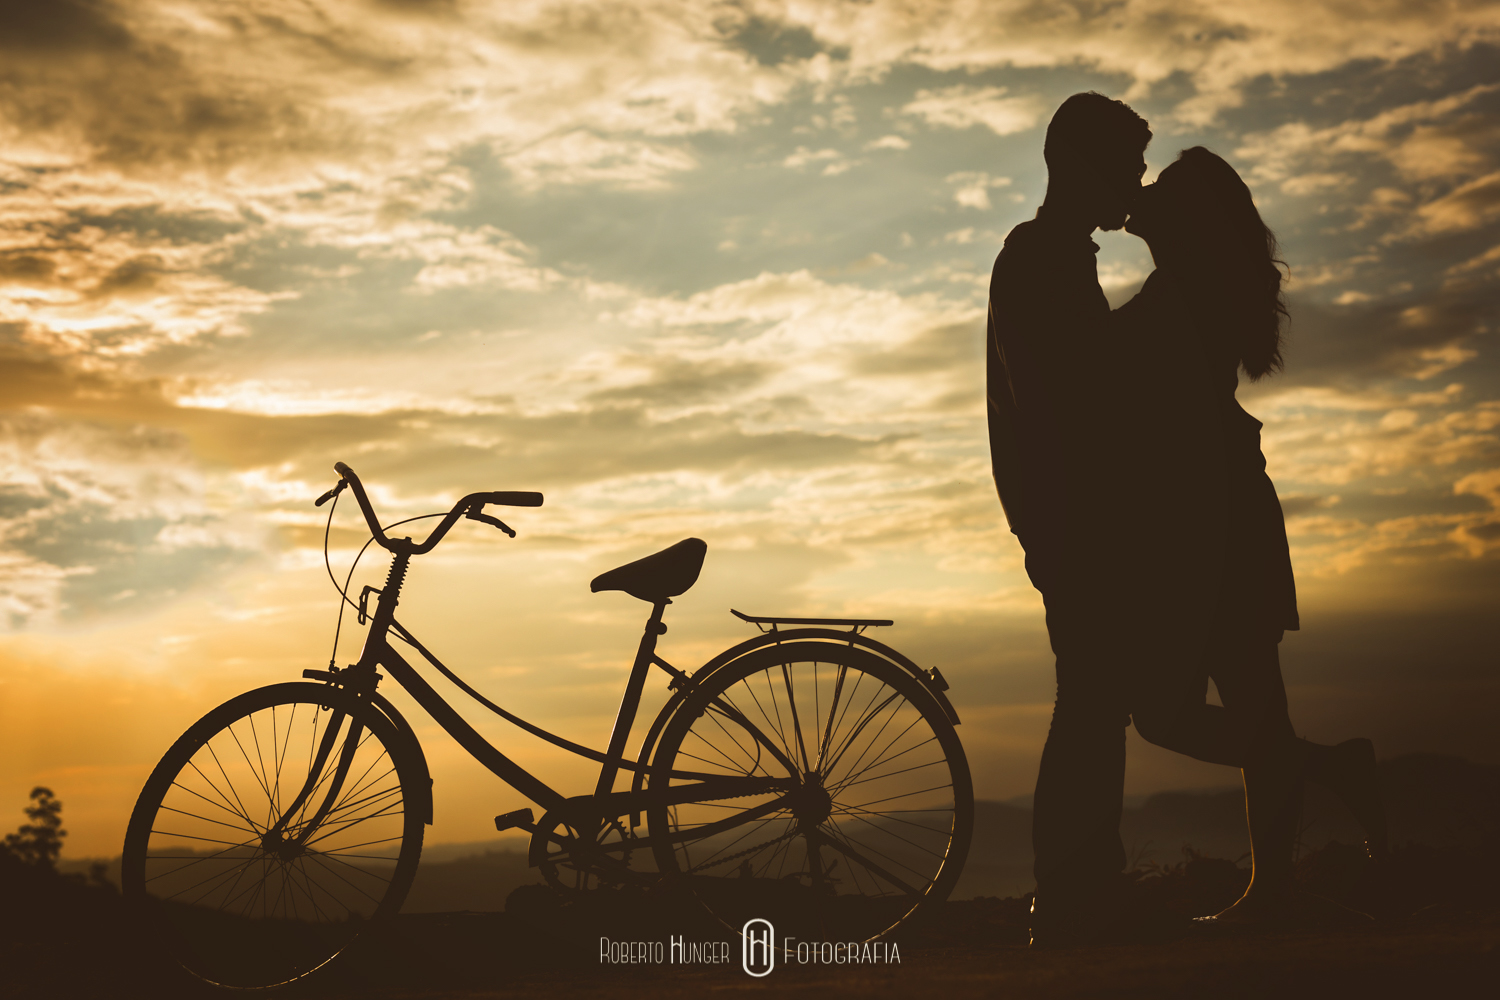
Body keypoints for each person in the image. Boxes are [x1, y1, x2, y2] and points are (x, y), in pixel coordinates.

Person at [1112, 146, 1386, 923]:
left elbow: (1123, 371)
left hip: (1214, 524)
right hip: (1209, 519)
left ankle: (1277, 882)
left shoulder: (1184, 294)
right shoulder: (1188, 286)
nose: (1146, 194)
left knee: (1198, 709)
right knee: (1214, 708)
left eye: (1164, 189)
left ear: (1189, 218)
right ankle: (1326, 786)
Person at [985, 91, 1152, 945]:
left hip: (1067, 516)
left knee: (1093, 697)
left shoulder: (1052, 256)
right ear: (1080, 167)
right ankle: (1072, 892)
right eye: (1127, 164)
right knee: (1089, 699)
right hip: (1074, 518)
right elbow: (1065, 400)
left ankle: (1082, 884)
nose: (1138, 181)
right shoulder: (1041, 259)